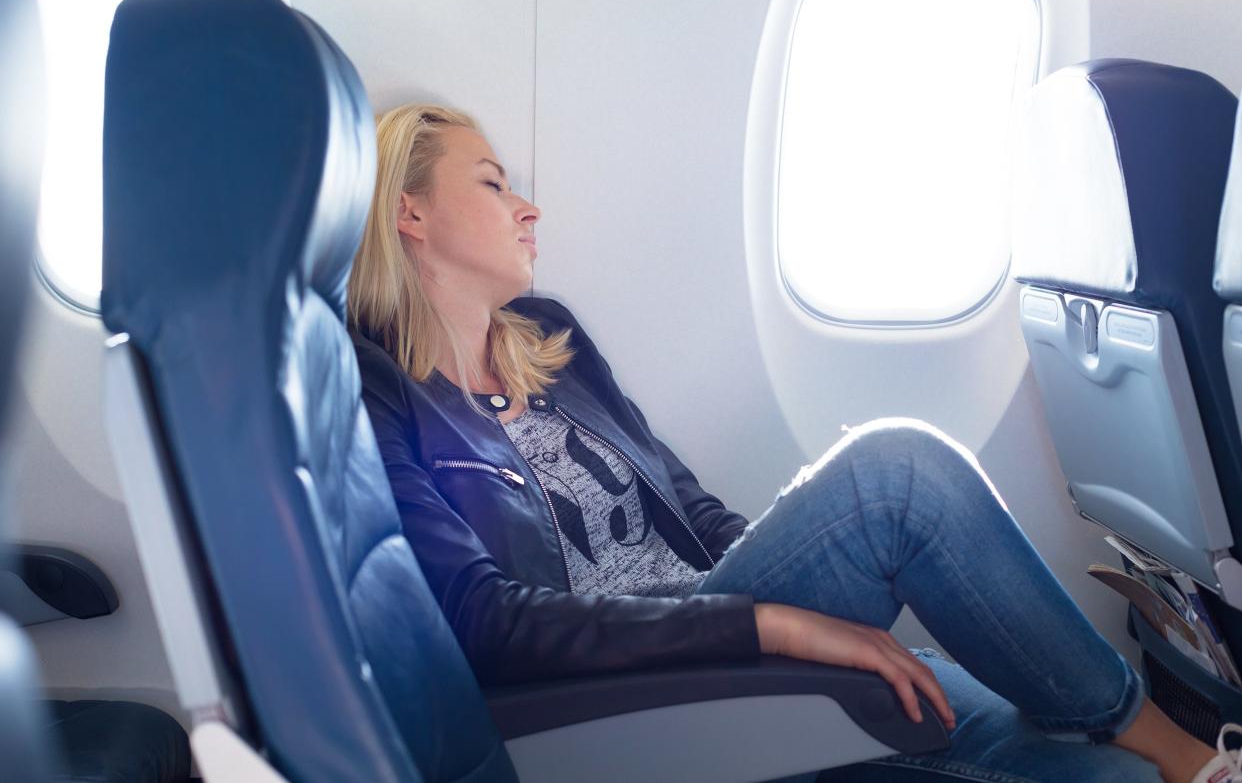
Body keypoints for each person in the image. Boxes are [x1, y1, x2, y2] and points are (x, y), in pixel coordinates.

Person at [347, 103, 1230, 783]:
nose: (529, 207)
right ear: (410, 213)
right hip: (639, 679)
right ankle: (1191, 750)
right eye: (496, 184)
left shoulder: (548, 339)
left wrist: (808, 590)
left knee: (1107, 772)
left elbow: (687, 506)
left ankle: (1173, 758)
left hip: (723, 623)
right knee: (898, 478)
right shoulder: (381, 393)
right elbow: (489, 621)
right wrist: (773, 622)